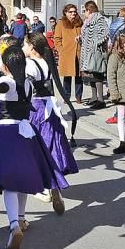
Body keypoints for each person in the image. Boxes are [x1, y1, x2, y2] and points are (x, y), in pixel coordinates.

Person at [0, 44, 57, 249]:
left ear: (6, 66)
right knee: (21, 179)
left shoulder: (7, 82)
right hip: (28, 132)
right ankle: (21, 218)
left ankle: (14, 224)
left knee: (9, 183)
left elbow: (0, 88)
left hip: (7, 131)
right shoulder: (29, 84)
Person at [22, 33, 76, 214]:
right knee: (50, 144)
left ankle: (44, 188)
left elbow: (26, 86)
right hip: (49, 106)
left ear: (32, 47)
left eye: (25, 44)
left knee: (34, 147)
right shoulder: (46, 62)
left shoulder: (29, 64)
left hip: (36, 107)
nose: (24, 47)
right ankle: (53, 184)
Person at [79, 1, 109, 109]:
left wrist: (94, 43)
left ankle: (101, 100)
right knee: (90, 74)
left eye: (85, 11)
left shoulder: (99, 20)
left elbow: (105, 33)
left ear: (89, 10)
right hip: (88, 52)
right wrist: (81, 38)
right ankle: (94, 97)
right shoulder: (88, 21)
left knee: (97, 75)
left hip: (96, 52)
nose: (84, 13)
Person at [54, 4, 83, 102]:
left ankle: (79, 96)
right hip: (66, 53)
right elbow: (57, 39)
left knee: (79, 75)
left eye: (74, 11)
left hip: (78, 52)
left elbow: (84, 35)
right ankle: (66, 96)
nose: (73, 13)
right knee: (67, 76)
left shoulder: (79, 22)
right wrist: (61, 50)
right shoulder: (61, 23)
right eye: (70, 12)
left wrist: (81, 39)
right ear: (66, 13)